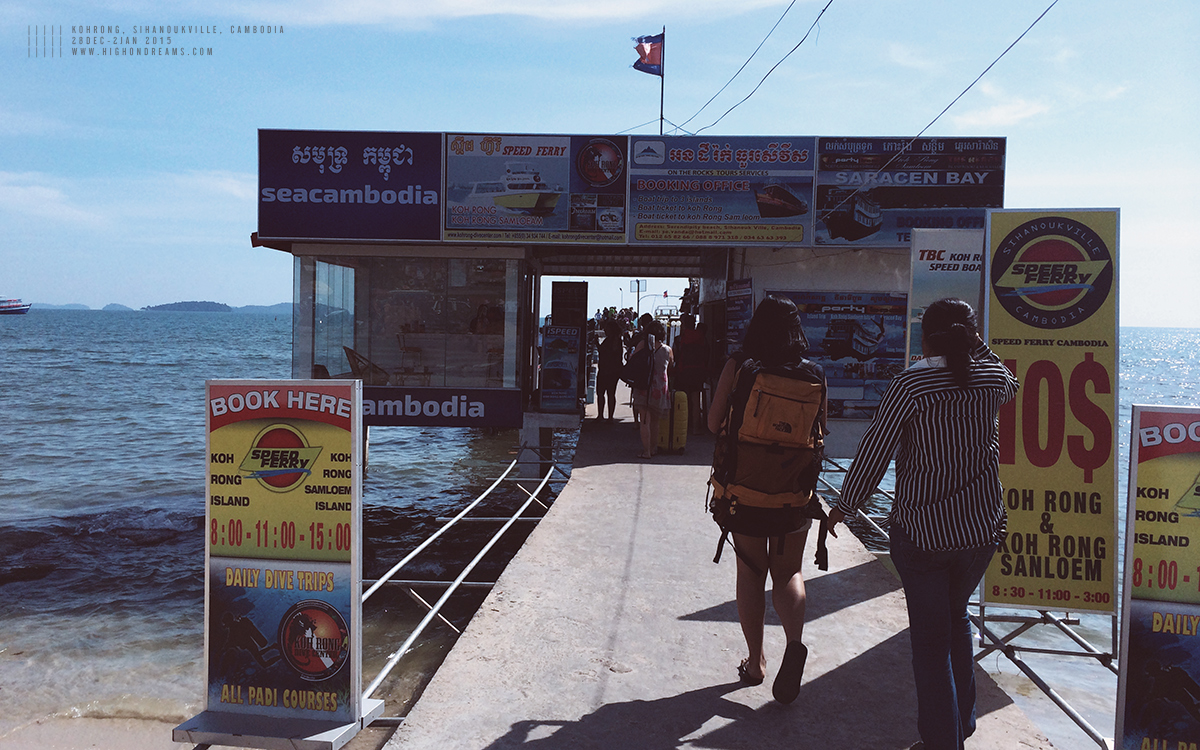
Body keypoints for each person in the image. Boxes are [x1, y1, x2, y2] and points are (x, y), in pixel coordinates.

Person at [827, 298, 1020, 750]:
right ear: (971, 335)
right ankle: (960, 727)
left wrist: (845, 506)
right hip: (980, 532)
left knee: (931, 644)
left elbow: (875, 450)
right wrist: (977, 343)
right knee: (956, 617)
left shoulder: (911, 385)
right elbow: (1009, 378)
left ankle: (942, 742)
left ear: (926, 338)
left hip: (923, 535)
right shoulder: (992, 380)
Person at [707, 295, 826, 703]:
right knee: (789, 571)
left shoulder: (740, 365)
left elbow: (713, 422)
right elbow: (819, 430)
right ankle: (794, 644)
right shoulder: (814, 374)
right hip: (794, 492)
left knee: (751, 572)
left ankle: (756, 663)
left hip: (745, 492)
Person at [631, 319, 673, 458]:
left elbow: (632, 360)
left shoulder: (643, 345)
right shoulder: (668, 350)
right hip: (660, 388)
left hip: (644, 386)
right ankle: (653, 448)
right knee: (655, 421)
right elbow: (671, 365)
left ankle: (646, 451)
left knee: (644, 420)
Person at [672, 314, 710, 436]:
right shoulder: (702, 337)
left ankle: (682, 425)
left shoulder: (679, 339)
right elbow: (706, 355)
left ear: (683, 324)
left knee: (681, 398)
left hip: (683, 372)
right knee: (695, 399)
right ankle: (696, 428)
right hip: (698, 372)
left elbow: (675, 356)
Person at [595, 320, 625, 422]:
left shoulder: (611, 340)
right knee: (611, 394)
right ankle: (610, 417)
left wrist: (596, 344)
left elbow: (604, 352)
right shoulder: (617, 340)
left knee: (601, 393)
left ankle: (600, 416)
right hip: (613, 371)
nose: (605, 330)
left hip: (605, 370)